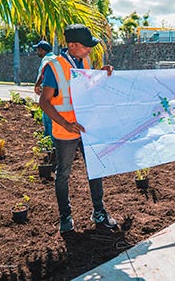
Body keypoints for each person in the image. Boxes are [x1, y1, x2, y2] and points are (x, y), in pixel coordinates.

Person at [39, 24, 117, 233]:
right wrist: (66, 124)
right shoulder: (55, 67)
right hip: (65, 131)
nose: (89, 49)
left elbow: (87, 86)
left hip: (87, 127)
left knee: (95, 168)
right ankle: (65, 217)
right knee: (63, 174)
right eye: (86, 46)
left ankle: (99, 212)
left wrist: (100, 74)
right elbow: (44, 101)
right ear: (72, 45)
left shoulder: (85, 61)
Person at [33, 40, 56, 139]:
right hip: (56, 92)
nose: (37, 52)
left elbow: (45, 71)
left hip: (48, 91)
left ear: (42, 50)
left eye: (38, 50)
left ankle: (50, 142)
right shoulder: (56, 58)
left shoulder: (47, 59)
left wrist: (37, 85)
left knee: (47, 118)